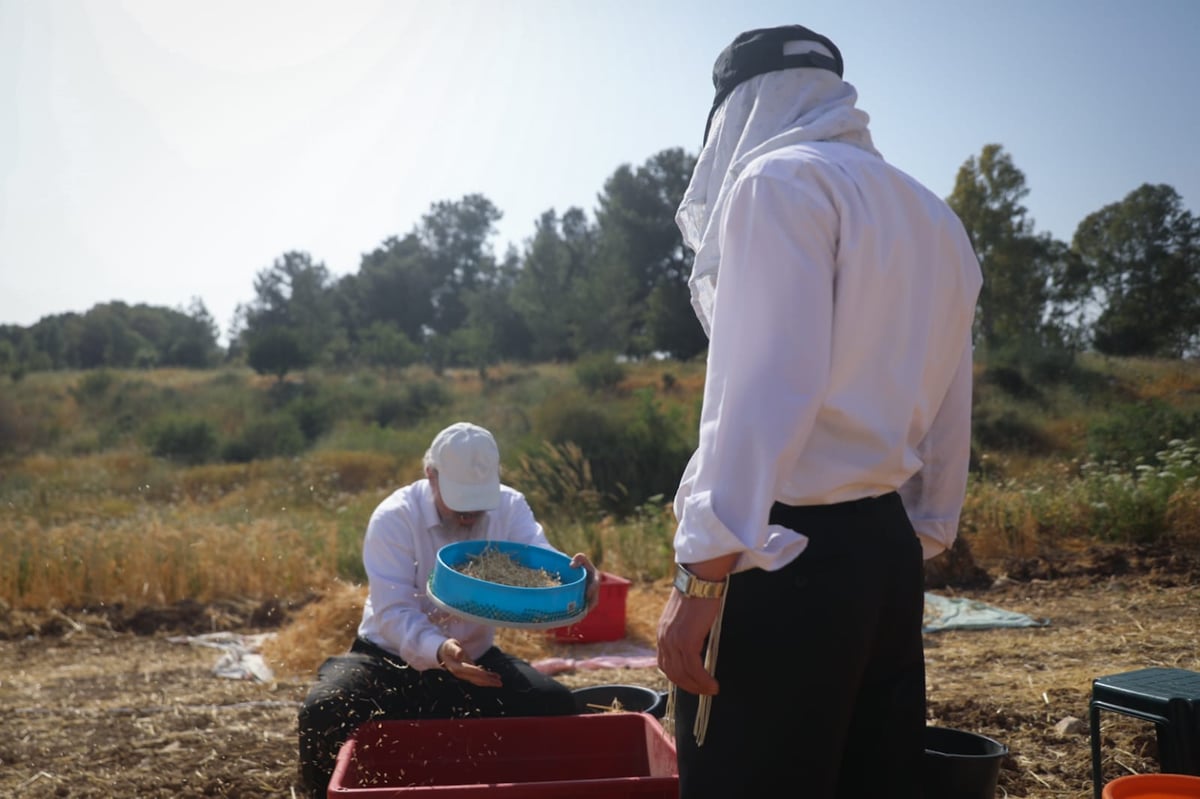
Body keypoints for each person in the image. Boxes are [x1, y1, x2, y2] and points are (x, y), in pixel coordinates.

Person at [655, 24, 983, 799]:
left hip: (782, 557)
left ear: (739, 106)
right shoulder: (933, 216)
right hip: (886, 553)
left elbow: (763, 394)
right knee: (872, 779)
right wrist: (920, 531)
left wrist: (700, 580)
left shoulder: (778, 184)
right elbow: (950, 401)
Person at [297, 421, 597, 798]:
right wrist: (438, 649)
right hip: (390, 658)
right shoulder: (395, 517)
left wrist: (578, 578)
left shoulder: (509, 506)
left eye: (478, 501)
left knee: (554, 705)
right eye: (460, 500)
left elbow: (542, 563)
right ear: (431, 477)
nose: (470, 514)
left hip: (474, 659)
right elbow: (393, 612)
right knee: (323, 710)